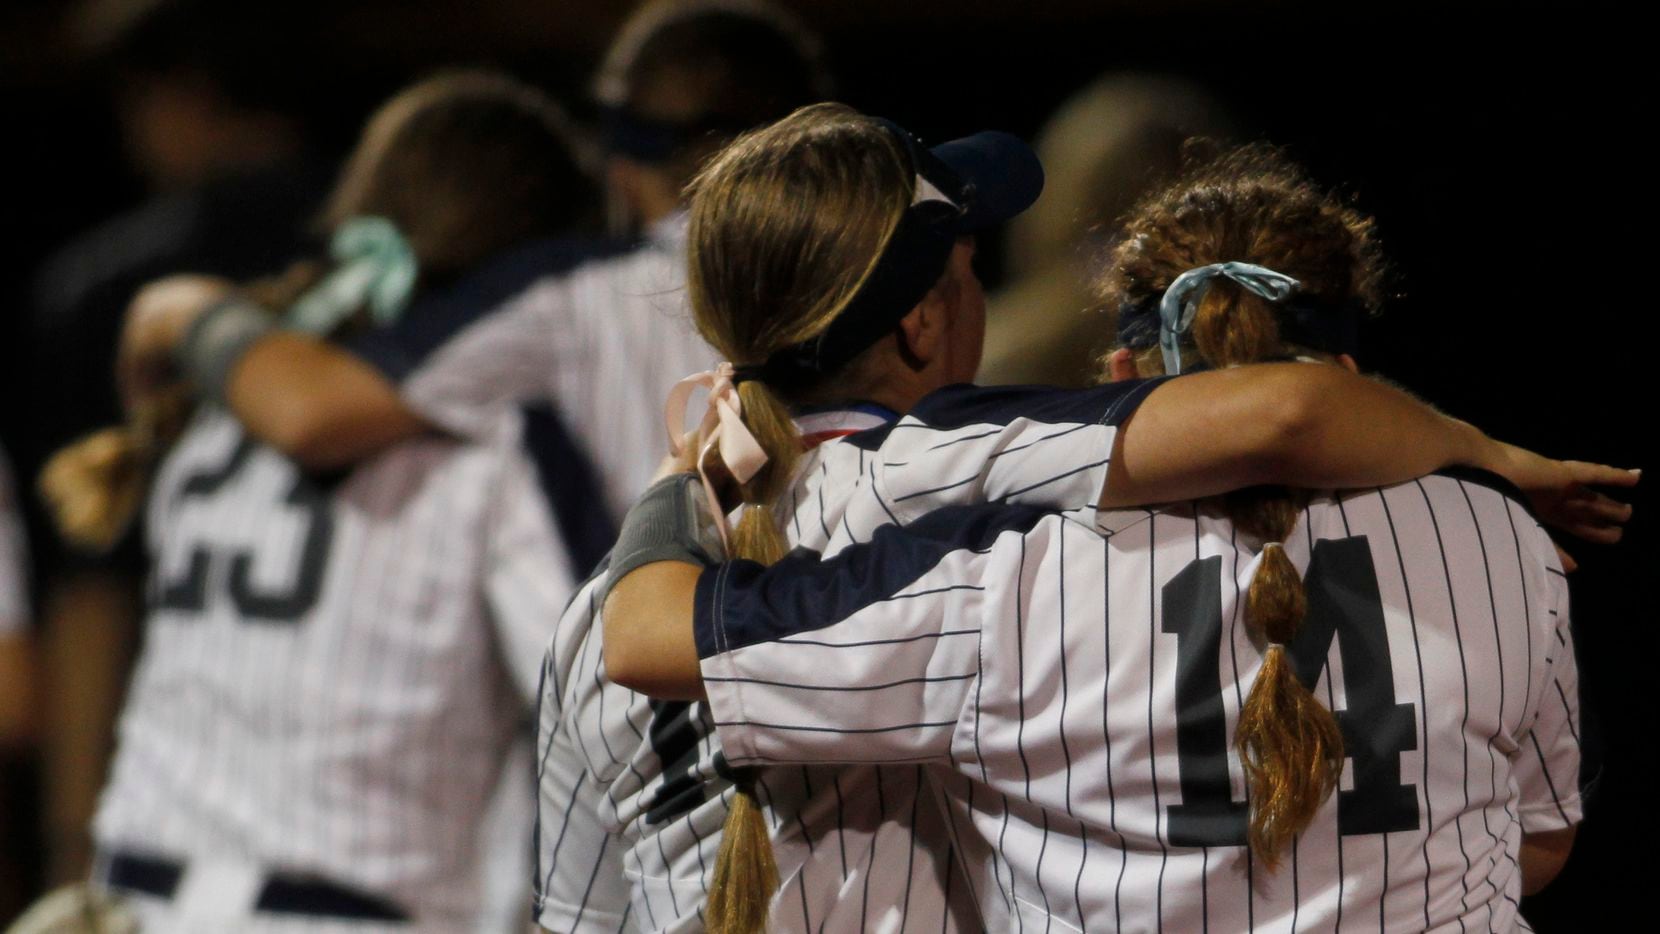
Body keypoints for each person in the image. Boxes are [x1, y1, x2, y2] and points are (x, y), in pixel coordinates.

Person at [551, 107, 1629, 933]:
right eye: (971, 266)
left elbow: (590, 846)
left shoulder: (987, 548)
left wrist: (674, 482)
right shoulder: (1499, 540)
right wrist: (1482, 452)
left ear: (1125, 370)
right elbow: (1537, 839)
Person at [32, 72, 628, 932]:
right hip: (341, 911)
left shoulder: (225, 407)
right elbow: (602, 711)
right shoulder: (496, 436)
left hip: (126, 903)